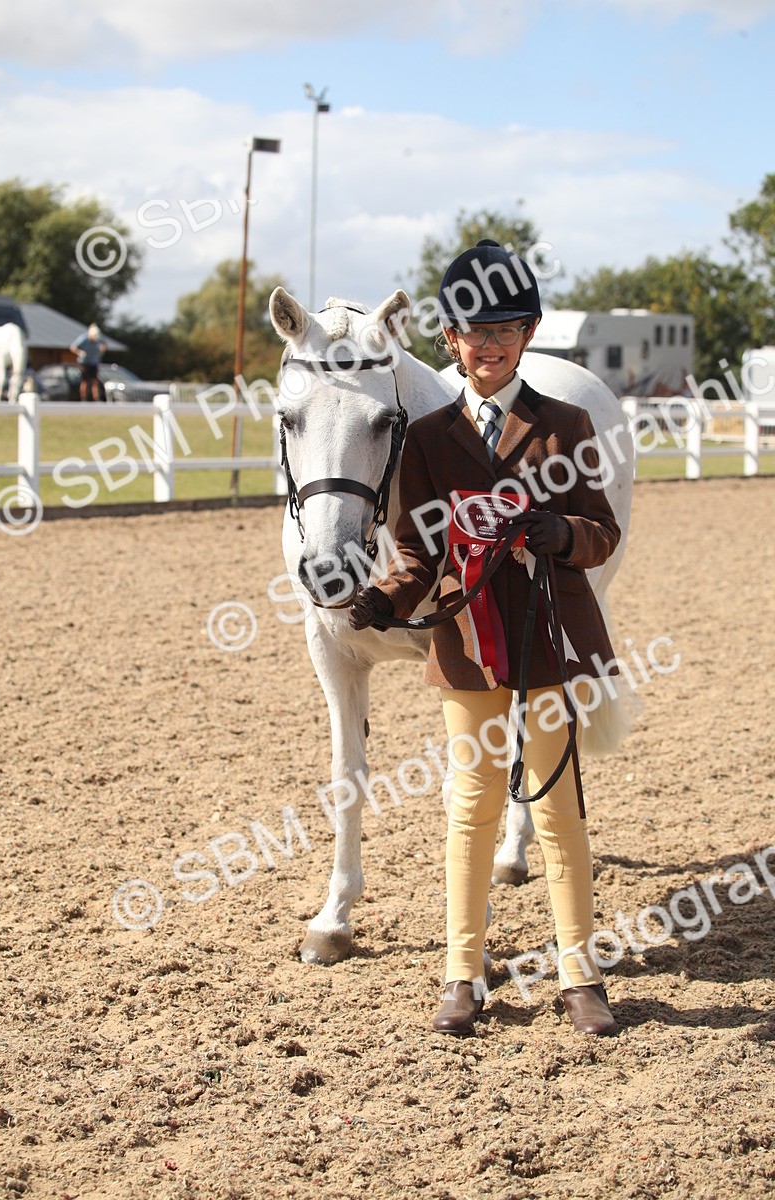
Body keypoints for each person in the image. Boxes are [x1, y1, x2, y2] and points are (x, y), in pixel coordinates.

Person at [349, 240, 622, 1038]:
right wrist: (383, 596)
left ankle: (579, 970)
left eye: (506, 328)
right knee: (469, 809)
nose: (491, 343)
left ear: (529, 333)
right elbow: (414, 547)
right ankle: (461, 972)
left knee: (560, 809)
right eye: (476, 330)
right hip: (467, 646)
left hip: (545, 637)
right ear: (451, 340)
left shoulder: (564, 424)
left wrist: (558, 531)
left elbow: (602, 532)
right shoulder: (430, 439)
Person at [70, 323, 106, 402]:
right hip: (84, 363)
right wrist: (80, 352)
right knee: (84, 381)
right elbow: (73, 347)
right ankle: (84, 398)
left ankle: (96, 398)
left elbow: (104, 345)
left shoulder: (98, 339)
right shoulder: (83, 338)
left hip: (94, 362)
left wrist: (102, 350)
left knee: (95, 381)